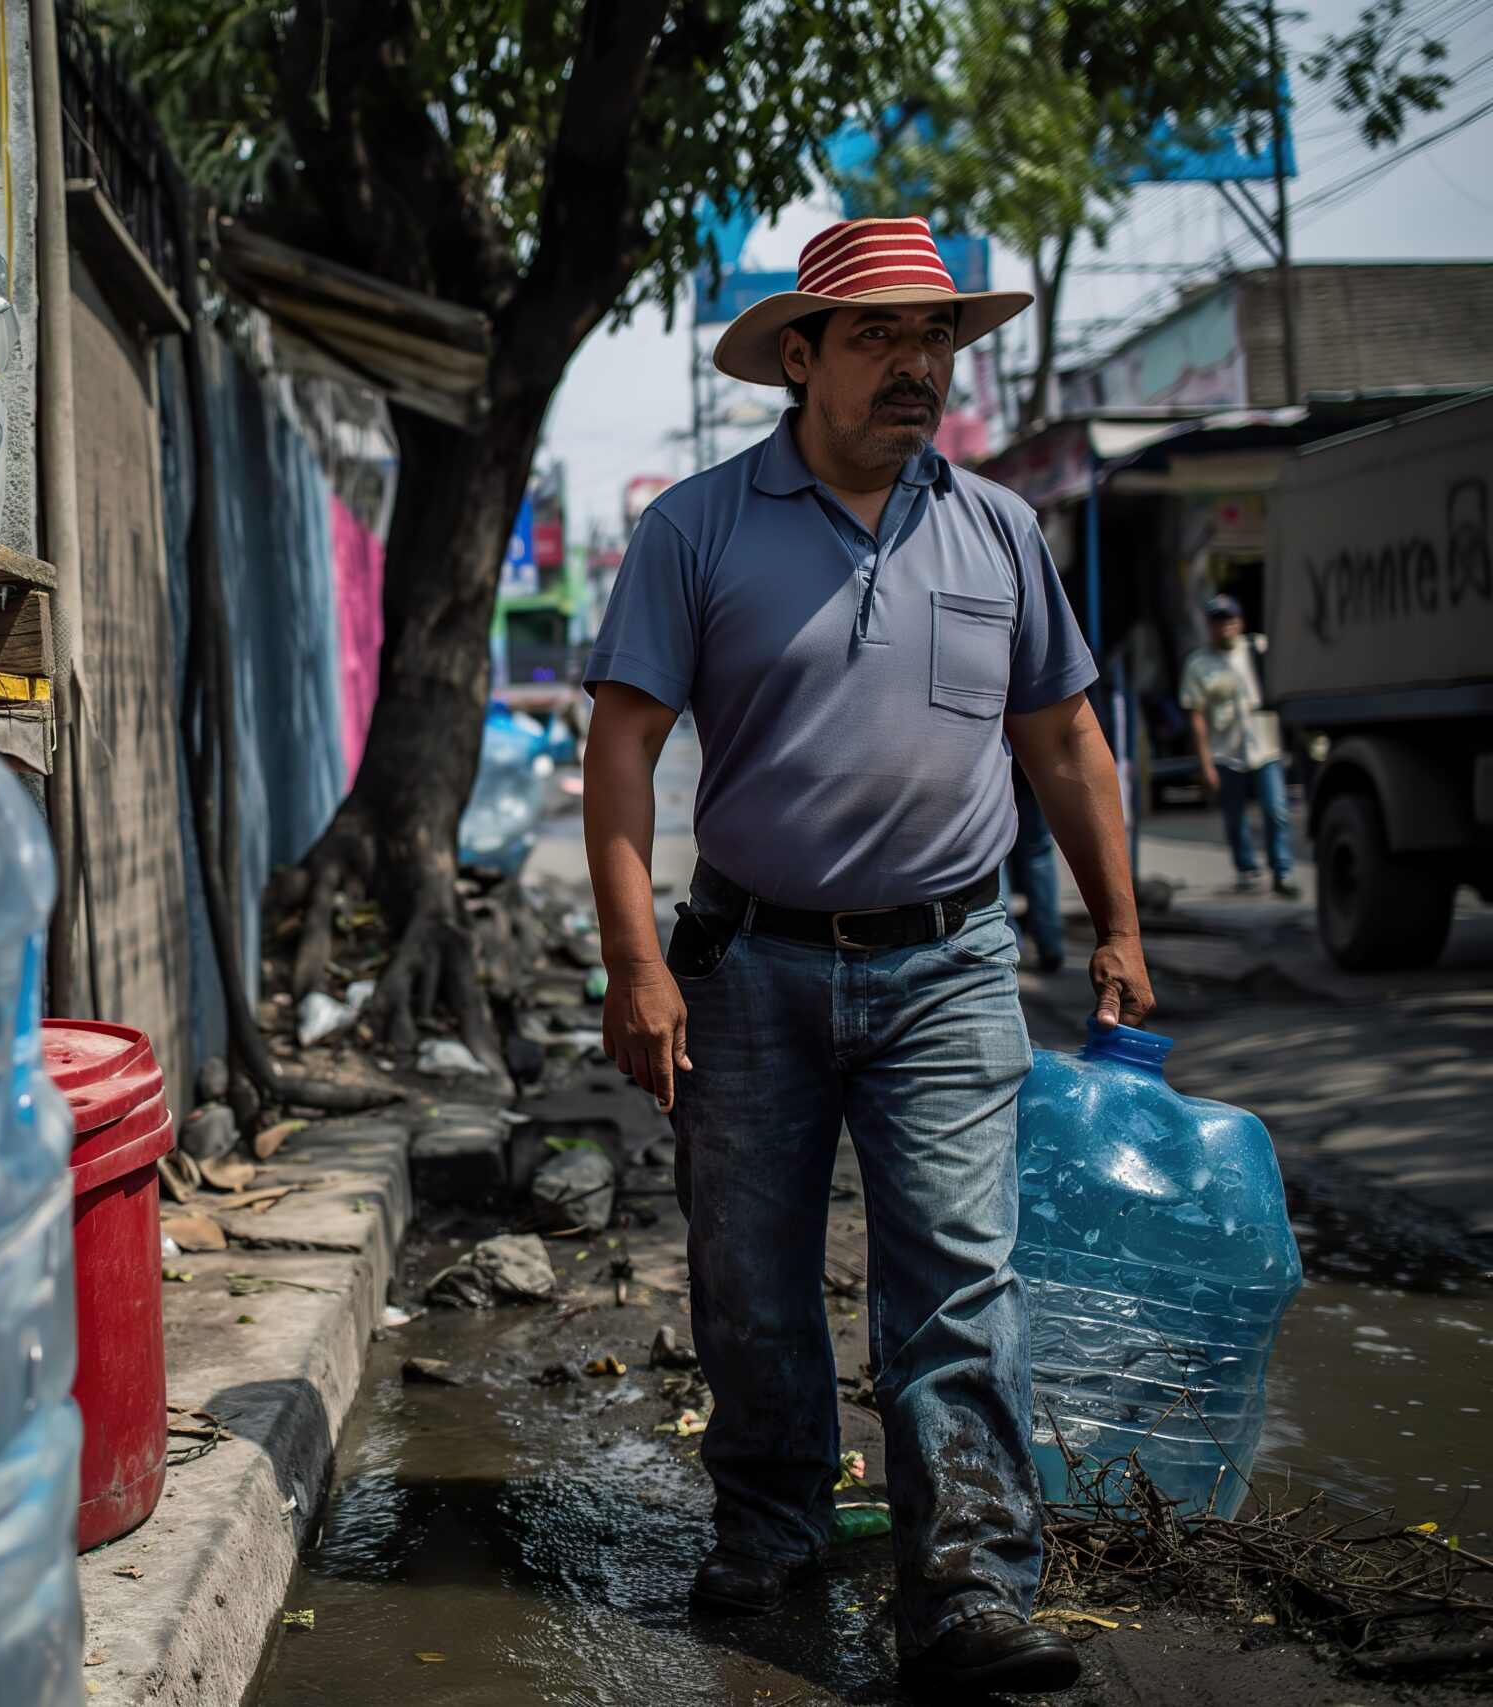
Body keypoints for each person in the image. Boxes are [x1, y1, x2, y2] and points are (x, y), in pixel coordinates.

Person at [580, 216, 1154, 1699]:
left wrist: (1117, 920)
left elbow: (1063, 737)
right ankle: (771, 1529)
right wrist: (635, 964)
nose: (918, 364)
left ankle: (968, 1585)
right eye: (880, 335)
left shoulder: (999, 529)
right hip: (747, 963)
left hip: (950, 965)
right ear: (801, 355)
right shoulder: (695, 527)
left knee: (959, 1277)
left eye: (936, 336)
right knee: (750, 1276)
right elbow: (623, 747)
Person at [1181, 594, 1296, 897]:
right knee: (1235, 818)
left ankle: (1282, 871)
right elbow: (1196, 717)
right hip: (1225, 753)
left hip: (1265, 747)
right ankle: (1247, 868)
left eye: (1229, 619)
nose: (1225, 626)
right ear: (1209, 626)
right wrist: (1205, 765)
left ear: (1240, 622)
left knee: (1276, 810)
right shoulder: (1198, 664)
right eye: (1217, 621)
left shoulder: (1259, 650)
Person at [1006, 761, 1067, 972]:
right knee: (1038, 851)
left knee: (997, 855)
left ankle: (1008, 944)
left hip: (995, 758)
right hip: (1034, 759)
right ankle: (1049, 941)